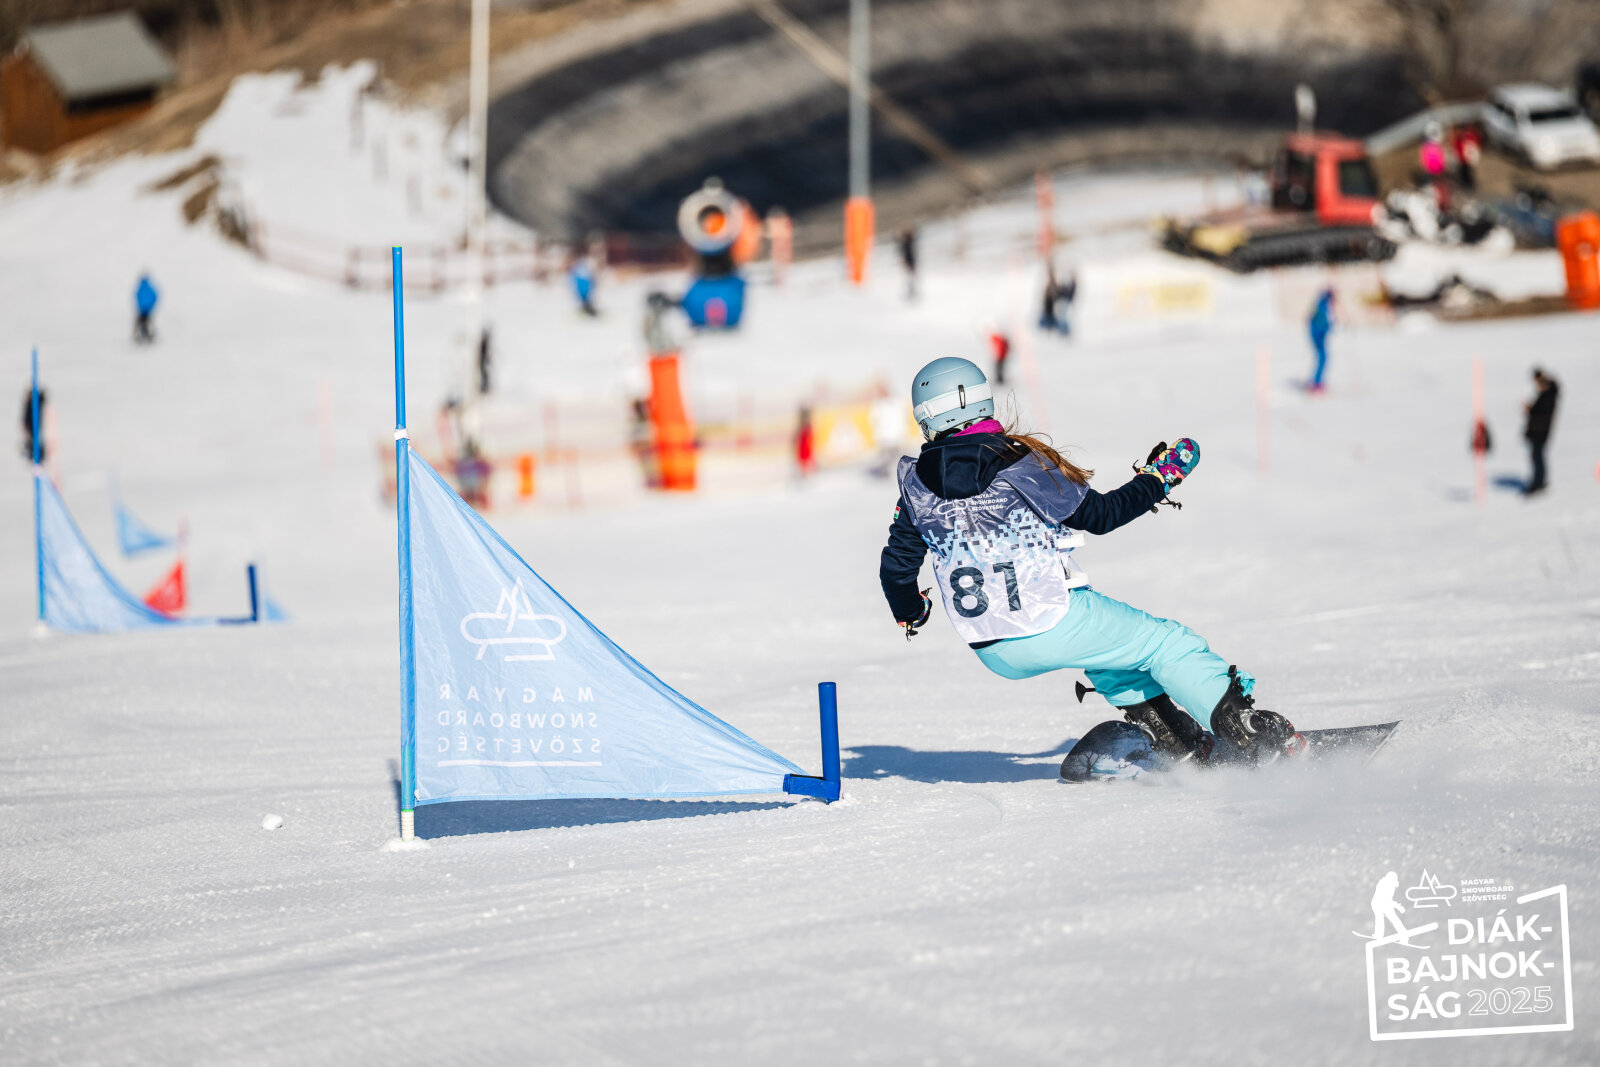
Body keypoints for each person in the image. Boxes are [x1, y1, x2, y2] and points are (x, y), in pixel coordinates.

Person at [879, 357, 1300, 779]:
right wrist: (1160, 478)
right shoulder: (1019, 464)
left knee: (1111, 655)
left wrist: (911, 612)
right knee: (1167, 645)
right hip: (1051, 619)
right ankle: (1248, 737)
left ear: (928, 417)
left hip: (992, 648)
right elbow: (1102, 516)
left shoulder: (915, 485)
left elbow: (896, 570)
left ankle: (1178, 741)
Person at [1523, 367, 1559, 495]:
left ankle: (1538, 483)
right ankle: (1538, 481)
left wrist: (1530, 409)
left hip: (1540, 432)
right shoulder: (1544, 396)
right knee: (1536, 456)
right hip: (1536, 431)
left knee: (1537, 457)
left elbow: (1540, 413)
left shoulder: (1549, 396)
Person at [1307, 287, 1334, 392]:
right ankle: (1316, 382)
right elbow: (1320, 323)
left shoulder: (1320, 304)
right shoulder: (1322, 306)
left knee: (1322, 358)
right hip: (1318, 336)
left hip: (1317, 335)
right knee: (1322, 358)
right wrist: (1329, 327)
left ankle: (1317, 381)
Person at [19, 385, 46, 462]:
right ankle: (35, 455)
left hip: (33, 424)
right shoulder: (29, 402)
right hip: (30, 424)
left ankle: (37, 455)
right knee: (32, 439)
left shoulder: (37, 400)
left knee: (33, 439)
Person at [134, 272, 159, 343]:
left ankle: (140, 335)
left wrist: (140, 306)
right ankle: (147, 335)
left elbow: (136, 297)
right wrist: (151, 306)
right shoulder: (149, 288)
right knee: (147, 322)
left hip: (142, 309)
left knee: (141, 322)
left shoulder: (140, 288)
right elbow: (155, 296)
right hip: (148, 309)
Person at [897, 224, 919, 301]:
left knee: (911, 278)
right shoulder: (904, 243)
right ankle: (910, 292)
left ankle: (912, 292)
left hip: (911, 262)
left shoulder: (909, 242)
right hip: (908, 262)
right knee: (909, 278)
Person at [477, 327, 493, 395]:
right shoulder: (483, 342)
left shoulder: (484, 342)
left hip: (484, 361)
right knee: (484, 374)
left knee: (485, 374)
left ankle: (484, 388)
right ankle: (483, 388)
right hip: (483, 361)